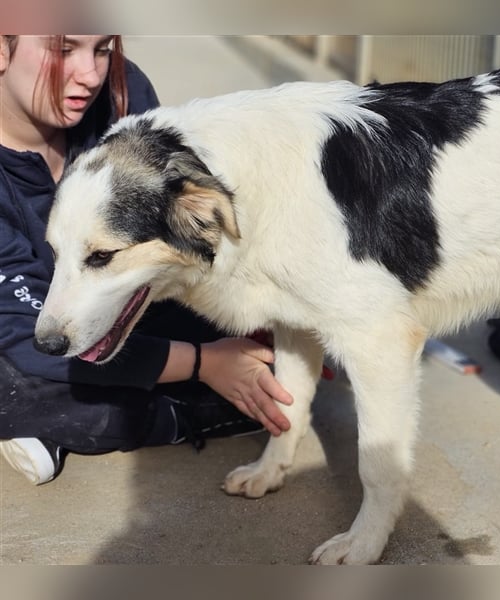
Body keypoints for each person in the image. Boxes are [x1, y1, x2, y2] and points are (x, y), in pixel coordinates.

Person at [0, 35, 295, 485]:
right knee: (19, 380)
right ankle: (188, 414)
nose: (91, 74)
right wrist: (206, 363)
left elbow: (180, 241)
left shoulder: (121, 88)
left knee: (276, 345)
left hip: (127, 301)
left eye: (101, 49)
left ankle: (68, 422)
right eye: (63, 51)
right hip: (25, 323)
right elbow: (23, 334)